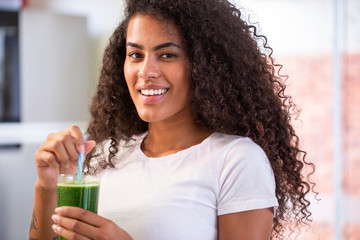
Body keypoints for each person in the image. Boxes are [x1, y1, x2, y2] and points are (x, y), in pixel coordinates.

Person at [29, 0, 316, 239]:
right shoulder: (103, 155)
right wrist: (47, 186)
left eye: (167, 55)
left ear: (205, 66)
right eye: (135, 54)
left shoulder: (237, 161)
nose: (145, 71)